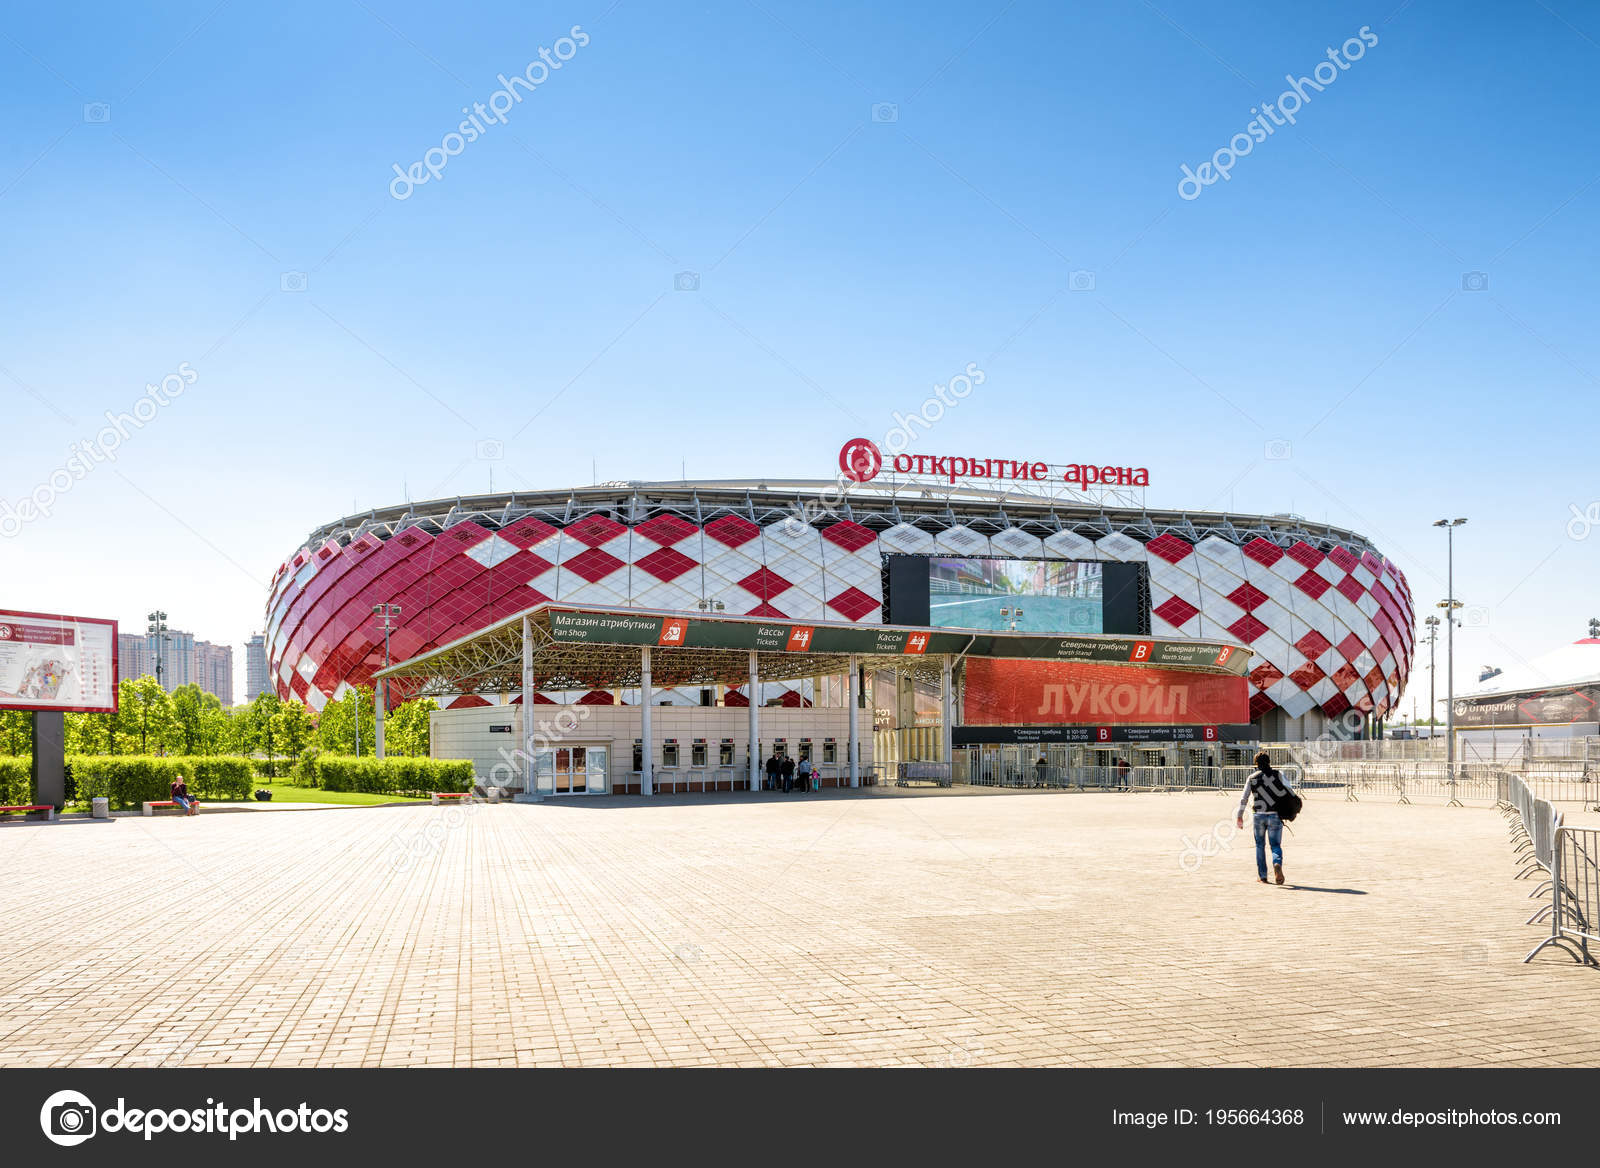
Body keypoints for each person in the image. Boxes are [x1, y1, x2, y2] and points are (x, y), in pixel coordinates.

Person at [1236, 751, 1291, 884]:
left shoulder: (1252, 777)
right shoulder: (1279, 774)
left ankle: (1263, 876)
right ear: (1269, 761)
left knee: (1260, 845)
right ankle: (1277, 863)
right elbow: (1290, 791)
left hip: (1259, 816)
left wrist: (1240, 816)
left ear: (1256, 764)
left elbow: (1244, 798)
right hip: (1275, 815)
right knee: (1276, 845)